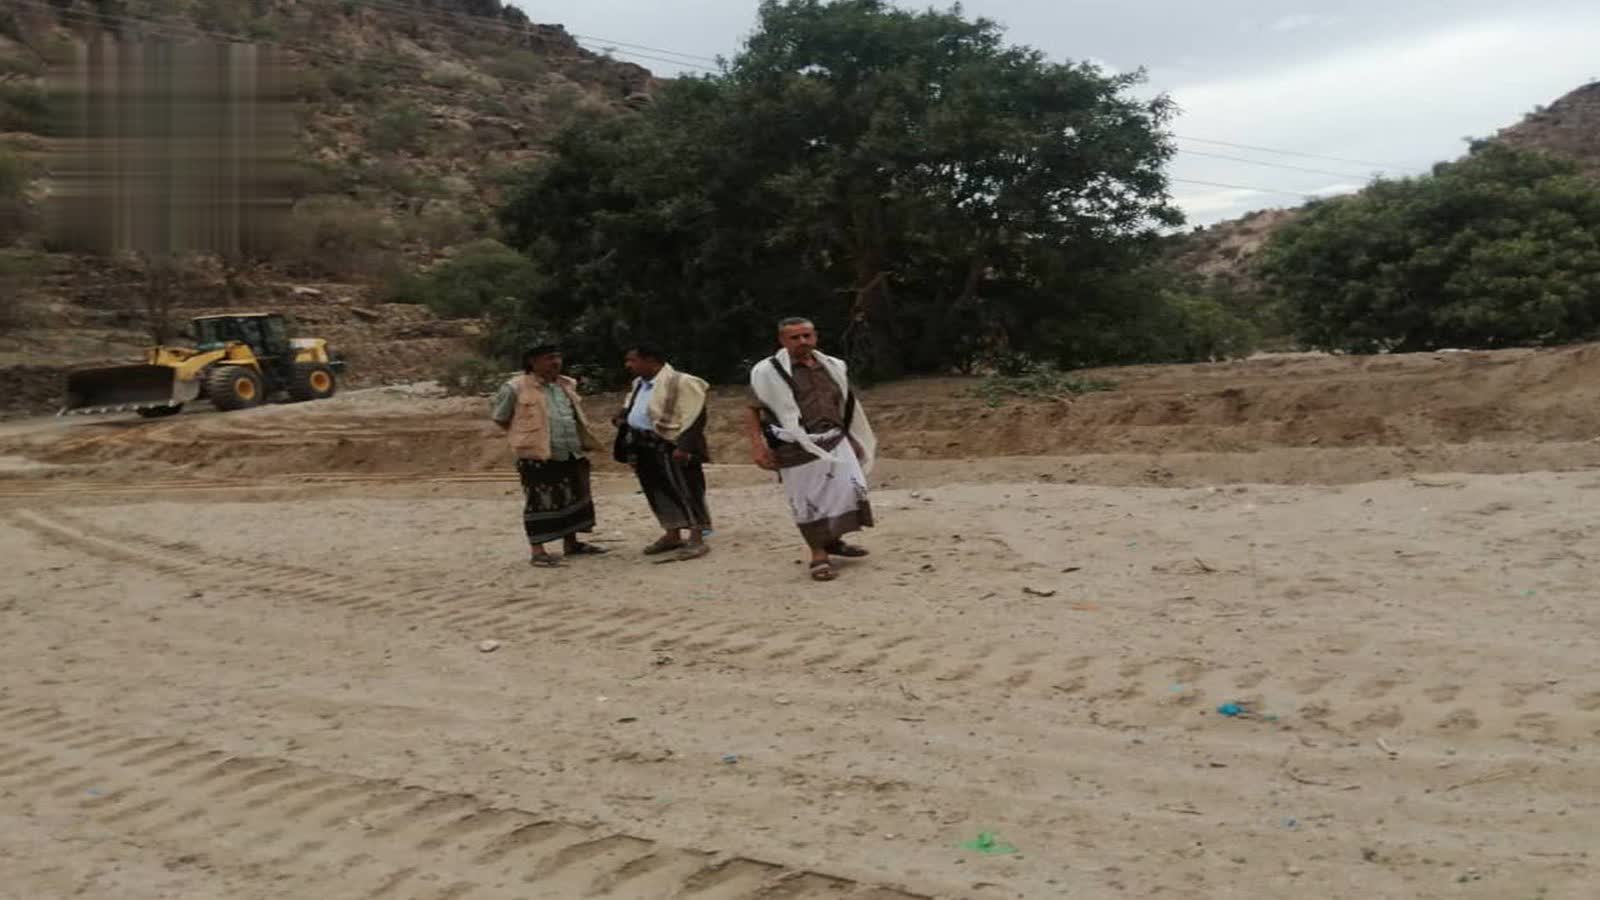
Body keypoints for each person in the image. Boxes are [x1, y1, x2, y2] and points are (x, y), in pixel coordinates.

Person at [746, 317, 878, 581]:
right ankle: (819, 554)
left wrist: (852, 437)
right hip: (794, 447)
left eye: (807, 335)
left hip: (836, 440)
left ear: (815, 336)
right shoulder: (766, 372)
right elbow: (752, 409)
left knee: (846, 491)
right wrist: (757, 447)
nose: (802, 341)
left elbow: (844, 404)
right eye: (795, 337)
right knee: (807, 501)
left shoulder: (833, 366)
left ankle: (834, 541)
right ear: (782, 340)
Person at [490, 344, 609, 567]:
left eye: (557, 357)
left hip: (570, 451)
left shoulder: (566, 384)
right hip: (537, 456)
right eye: (549, 358)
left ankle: (571, 543)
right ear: (532, 362)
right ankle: (538, 551)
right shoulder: (515, 387)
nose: (555, 362)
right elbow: (501, 418)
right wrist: (525, 437)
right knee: (539, 501)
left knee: (572, 497)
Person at [614, 344, 713, 561]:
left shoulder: (683, 382)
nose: (628, 365)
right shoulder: (639, 384)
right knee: (657, 491)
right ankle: (672, 533)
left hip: (671, 444)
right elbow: (632, 406)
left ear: (650, 360)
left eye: (633, 360)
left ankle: (696, 537)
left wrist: (684, 447)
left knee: (687, 490)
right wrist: (623, 418)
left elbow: (696, 415)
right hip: (643, 444)